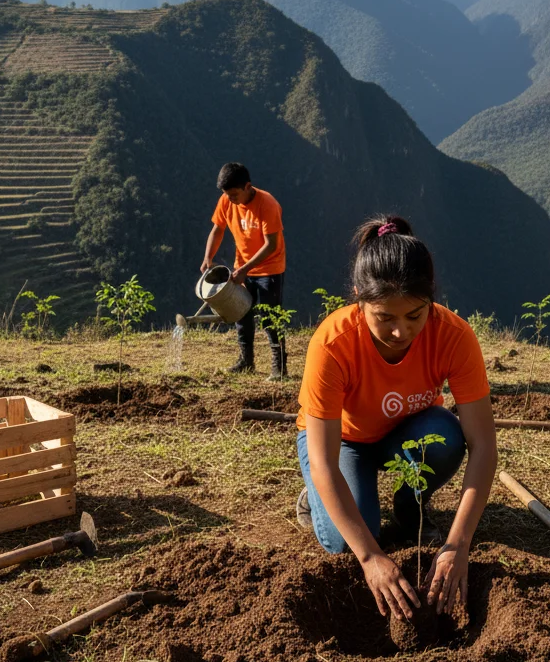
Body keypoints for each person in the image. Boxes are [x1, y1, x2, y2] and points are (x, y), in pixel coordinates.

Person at [294, 215, 498, 620]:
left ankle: (410, 505)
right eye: (384, 318)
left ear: (431, 300)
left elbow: (483, 446)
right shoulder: (333, 343)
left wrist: (457, 545)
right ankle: (319, 498)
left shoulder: (454, 336)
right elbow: (323, 460)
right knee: (343, 543)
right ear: (359, 298)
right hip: (344, 442)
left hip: (405, 432)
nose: (401, 332)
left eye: (414, 316)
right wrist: (371, 557)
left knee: (447, 435)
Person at [200, 162, 287, 379]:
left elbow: (271, 245)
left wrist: (245, 270)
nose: (230, 199)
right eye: (227, 194)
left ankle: (279, 367)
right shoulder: (226, 200)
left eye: (234, 195)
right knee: (241, 312)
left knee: (270, 317)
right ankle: (246, 361)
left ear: (248, 187)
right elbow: (217, 229)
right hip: (242, 267)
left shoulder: (267, 204)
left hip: (269, 268)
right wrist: (208, 257)